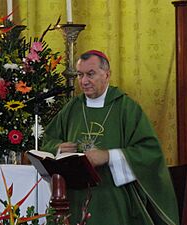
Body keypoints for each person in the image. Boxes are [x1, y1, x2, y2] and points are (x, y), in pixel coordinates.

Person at [41, 50, 179, 225]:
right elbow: (47, 141)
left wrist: (109, 156)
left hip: (113, 195)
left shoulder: (126, 108)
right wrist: (59, 148)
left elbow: (150, 152)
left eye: (90, 74)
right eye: (80, 75)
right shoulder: (72, 108)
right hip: (74, 196)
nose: (83, 81)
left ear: (107, 74)